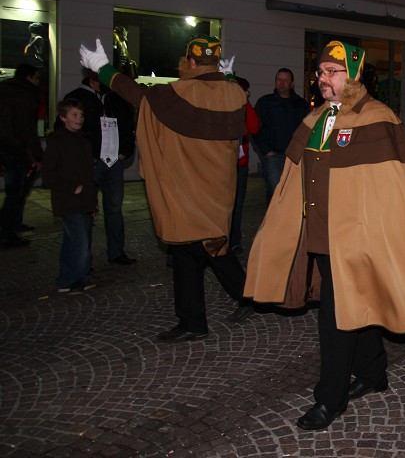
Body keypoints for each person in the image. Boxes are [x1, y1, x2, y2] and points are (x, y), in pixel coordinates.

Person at [243, 40, 405, 431]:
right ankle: (374, 373)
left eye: (332, 72)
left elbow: (393, 190)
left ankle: (331, 399)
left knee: (336, 316)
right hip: (321, 234)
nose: (323, 79)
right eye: (321, 71)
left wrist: (377, 238)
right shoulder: (316, 118)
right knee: (355, 306)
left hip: (354, 239)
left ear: (354, 75)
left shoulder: (376, 117)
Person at [79, 35, 256, 342]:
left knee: (190, 249)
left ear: (189, 61)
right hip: (219, 192)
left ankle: (194, 322)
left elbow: (139, 95)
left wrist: (103, 69)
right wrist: (226, 76)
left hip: (188, 191)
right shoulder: (235, 93)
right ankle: (246, 298)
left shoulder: (178, 92)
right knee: (212, 246)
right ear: (217, 61)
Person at [65, 69, 137, 265]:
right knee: (87, 209)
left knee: (114, 209)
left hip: (114, 160)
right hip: (91, 162)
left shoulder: (115, 99)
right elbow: (68, 129)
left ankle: (116, 252)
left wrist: (125, 150)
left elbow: (128, 125)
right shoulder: (77, 97)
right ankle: (83, 259)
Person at [42, 98, 98, 294]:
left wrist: (93, 204)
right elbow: (48, 175)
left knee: (72, 242)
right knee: (80, 242)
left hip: (84, 202)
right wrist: (70, 187)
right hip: (68, 201)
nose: (79, 119)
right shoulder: (56, 142)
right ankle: (77, 278)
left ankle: (64, 279)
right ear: (63, 118)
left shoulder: (84, 142)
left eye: (81, 115)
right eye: (74, 115)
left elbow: (89, 176)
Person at [0, 63, 43, 248]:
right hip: (17, 151)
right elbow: (27, 130)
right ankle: (7, 232)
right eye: (37, 78)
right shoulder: (25, 96)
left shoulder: (5, 90)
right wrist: (36, 156)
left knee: (15, 192)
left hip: (6, 148)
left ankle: (13, 225)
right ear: (30, 78)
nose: (39, 82)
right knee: (15, 193)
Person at [253, 68, 309, 204]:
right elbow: (254, 128)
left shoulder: (301, 105)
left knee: (293, 194)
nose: (281, 83)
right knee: (275, 193)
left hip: (294, 157)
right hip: (274, 157)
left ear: (292, 83)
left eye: (285, 80)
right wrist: (266, 150)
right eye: (279, 80)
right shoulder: (264, 103)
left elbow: (307, 130)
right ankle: (273, 223)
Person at [230, 76, 260, 252]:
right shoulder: (224, 105)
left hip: (240, 164)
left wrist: (245, 102)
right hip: (224, 164)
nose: (248, 93)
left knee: (238, 205)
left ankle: (234, 240)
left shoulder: (245, 106)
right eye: (245, 90)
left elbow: (254, 126)